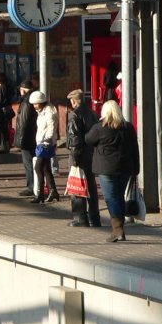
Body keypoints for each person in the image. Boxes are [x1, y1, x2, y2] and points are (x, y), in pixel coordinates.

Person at [86, 100, 141, 242]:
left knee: (111, 198)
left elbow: (88, 139)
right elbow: (135, 148)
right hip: (125, 168)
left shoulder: (100, 128)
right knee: (119, 196)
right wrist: (136, 168)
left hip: (107, 169)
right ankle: (119, 228)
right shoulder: (128, 127)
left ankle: (117, 229)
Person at [65, 89, 102, 227]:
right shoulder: (92, 114)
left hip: (79, 155)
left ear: (74, 101)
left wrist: (74, 159)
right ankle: (94, 217)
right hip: (91, 154)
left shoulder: (75, 115)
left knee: (77, 186)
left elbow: (74, 139)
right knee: (91, 186)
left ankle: (80, 217)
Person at [29, 91, 60, 203]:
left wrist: (46, 139)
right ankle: (53, 191)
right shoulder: (43, 111)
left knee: (38, 168)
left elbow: (51, 128)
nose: (34, 106)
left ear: (41, 102)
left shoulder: (49, 113)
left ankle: (40, 194)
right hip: (44, 143)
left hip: (46, 144)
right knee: (46, 169)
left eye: (36, 104)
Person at [14, 81, 37, 196]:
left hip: (27, 138)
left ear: (23, 89)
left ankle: (31, 187)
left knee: (28, 163)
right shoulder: (31, 99)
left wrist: (20, 140)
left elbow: (23, 122)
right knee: (32, 162)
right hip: (31, 136)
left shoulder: (26, 102)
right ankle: (34, 186)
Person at [0, 72, 15, 152]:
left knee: (3, 129)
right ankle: (5, 146)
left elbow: (0, 100)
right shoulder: (2, 87)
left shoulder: (2, 87)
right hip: (4, 109)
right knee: (4, 129)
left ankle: (4, 147)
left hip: (3, 111)